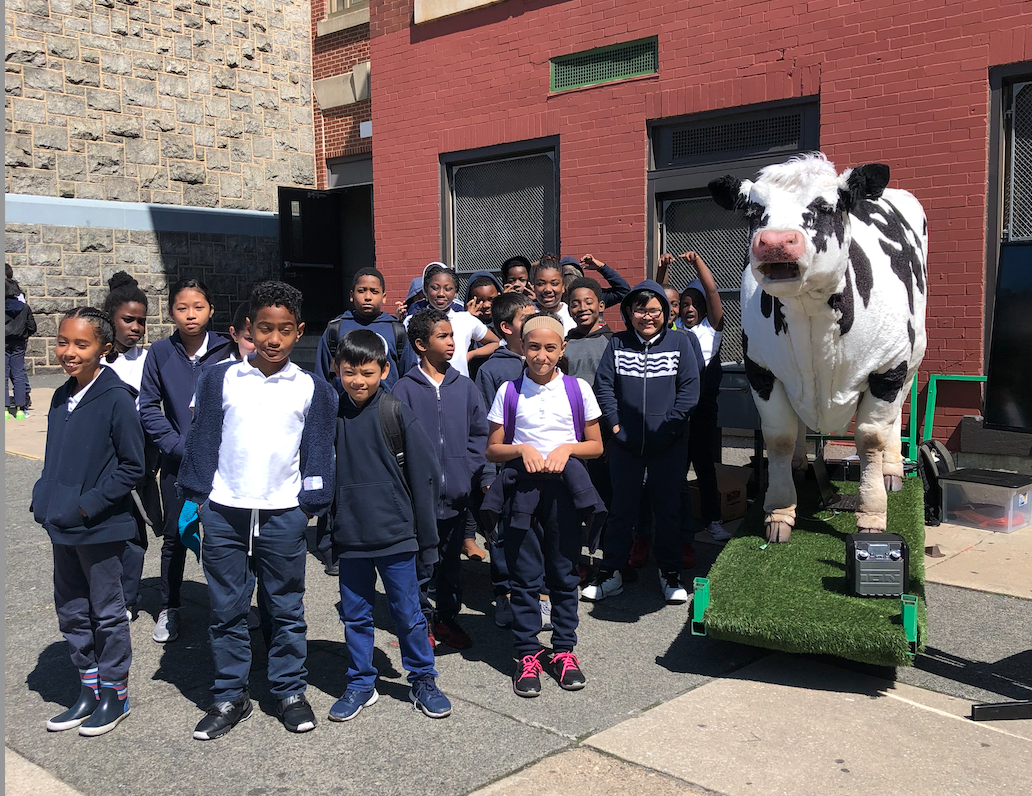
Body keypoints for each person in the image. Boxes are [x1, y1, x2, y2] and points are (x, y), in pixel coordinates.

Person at [177, 281, 336, 740]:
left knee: (285, 607)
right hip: (224, 511)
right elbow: (203, 439)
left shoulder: (311, 388)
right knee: (226, 608)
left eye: (285, 331)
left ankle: (288, 689)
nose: (273, 339)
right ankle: (230, 694)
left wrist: (311, 503)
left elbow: (318, 451)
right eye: (264, 328)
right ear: (249, 327)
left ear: (298, 331)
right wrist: (197, 495)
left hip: (283, 514)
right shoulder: (219, 378)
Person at [327, 329, 452, 721]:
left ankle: (422, 679)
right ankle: (361, 683)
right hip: (351, 537)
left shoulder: (395, 412)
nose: (358, 381)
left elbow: (426, 477)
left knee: (408, 614)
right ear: (337, 370)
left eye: (367, 372)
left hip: (397, 537)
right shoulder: (331, 416)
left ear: (384, 370)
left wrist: (427, 541)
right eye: (350, 372)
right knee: (355, 615)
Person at [33, 307, 144, 736]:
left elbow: (133, 467)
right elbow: (55, 458)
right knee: (72, 609)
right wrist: (45, 496)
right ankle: (88, 687)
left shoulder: (117, 398)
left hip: (99, 526)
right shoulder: (62, 396)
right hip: (61, 524)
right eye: (63, 342)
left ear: (104, 348)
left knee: (107, 612)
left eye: (82, 344)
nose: (69, 352)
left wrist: (85, 506)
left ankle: (115, 693)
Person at [483, 314, 605, 697]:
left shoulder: (578, 389)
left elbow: (596, 446)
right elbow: (493, 447)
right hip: (522, 496)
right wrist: (521, 449)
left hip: (565, 495)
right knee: (524, 577)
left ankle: (564, 651)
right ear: (521, 347)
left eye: (550, 347)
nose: (541, 355)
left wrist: (567, 448)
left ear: (562, 348)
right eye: (533, 346)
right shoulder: (509, 391)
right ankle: (526, 654)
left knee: (565, 574)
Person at [586, 280, 701, 605]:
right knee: (621, 510)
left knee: (667, 509)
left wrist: (670, 429)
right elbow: (604, 386)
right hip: (626, 444)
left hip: (669, 443)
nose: (646, 316)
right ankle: (612, 572)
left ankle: (670, 572)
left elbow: (690, 389)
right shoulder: (618, 343)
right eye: (640, 309)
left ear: (665, 312)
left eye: (654, 309)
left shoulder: (680, 342)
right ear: (628, 312)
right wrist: (616, 427)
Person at [139, 278, 230, 644]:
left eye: (198, 307)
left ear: (210, 310)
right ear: (171, 312)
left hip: (225, 464)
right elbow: (148, 406)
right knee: (174, 537)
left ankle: (230, 608)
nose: (190, 315)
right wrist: (175, 445)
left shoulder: (228, 347)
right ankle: (169, 606)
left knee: (228, 539)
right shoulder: (160, 352)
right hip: (179, 463)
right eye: (182, 308)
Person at [393, 308, 490, 650]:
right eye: (444, 336)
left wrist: (467, 471)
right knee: (421, 565)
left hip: (457, 497)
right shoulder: (403, 390)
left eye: (452, 336)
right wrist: (409, 481)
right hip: (417, 500)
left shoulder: (464, 387)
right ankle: (421, 624)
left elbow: (480, 435)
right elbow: (395, 442)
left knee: (450, 567)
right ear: (421, 344)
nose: (452, 343)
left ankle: (447, 618)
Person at [473, 291, 536, 627]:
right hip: (501, 468)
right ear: (506, 327)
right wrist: (486, 474)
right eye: (525, 320)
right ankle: (505, 593)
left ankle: (536, 593)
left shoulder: (541, 362)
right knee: (499, 533)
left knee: (532, 530)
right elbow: (484, 425)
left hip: (537, 468)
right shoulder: (491, 370)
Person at [102, 272, 161, 621]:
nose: (136, 327)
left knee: (135, 529)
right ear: (111, 319)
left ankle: (127, 598)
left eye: (141, 321)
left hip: (139, 458)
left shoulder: (148, 359)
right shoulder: (97, 359)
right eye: (128, 320)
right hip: (103, 459)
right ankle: (103, 593)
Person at [676, 252, 730, 542]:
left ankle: (713, 519)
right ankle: (673, 518)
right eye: (684, 304)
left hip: (703, 409)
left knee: (705, 464)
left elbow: (712, 291)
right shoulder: (674, 331)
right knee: (676, 465)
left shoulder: (711, 330)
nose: (689, 309)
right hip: (677, 409)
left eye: (695, 304)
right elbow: (658, 298)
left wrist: (698, 262)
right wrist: (662, 270)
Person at [314, 267, 408, 393]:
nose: (368, 297)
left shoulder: (396, 330)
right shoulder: (336, 329)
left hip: (385, 408)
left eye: (374, 292)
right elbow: (321, 377)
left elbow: (408, 376)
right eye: (362, 291)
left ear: (384, 297)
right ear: (352, 296)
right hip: (344, 409)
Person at [404, 264, 499, 379]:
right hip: (423, 386)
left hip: (458, 387)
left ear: (455, 293)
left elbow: (495, 343)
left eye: (448, 289)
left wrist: (470, 355)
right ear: (425, 290)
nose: (441, 294)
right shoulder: (411, 322)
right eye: (435, 288)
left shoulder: (466, 319)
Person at [563, 278, 614, 384]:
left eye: (588, 302)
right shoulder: (563, 345)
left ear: (601, 306)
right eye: (575, 305)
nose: (582, 308)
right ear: (569, 310)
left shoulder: (612, 342)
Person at [463, 271, 503, 384]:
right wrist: (469, 319)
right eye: (479, 301)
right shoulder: (464, 322)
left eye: (491, 299)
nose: (486, 305)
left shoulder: (507, 322)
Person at [5, 276, 36, 420]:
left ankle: (4, 410)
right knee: (18, 375)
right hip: (19, 343)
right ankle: (20, 409)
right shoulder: (24, 308)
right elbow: (32, 327)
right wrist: (24, 335)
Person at [558, 254, 631, 310]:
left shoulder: (594, 295)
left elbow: (624, 291)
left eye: (588, 303)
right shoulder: (554, 302)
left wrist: (602, 267)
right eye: (566, 275)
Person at [531, 255, 576, 333]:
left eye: (554, 283)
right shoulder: (525, 314)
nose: (548, 289)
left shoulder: (573, 316)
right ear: (534, 287)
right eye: (541, 284)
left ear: (563, 287)